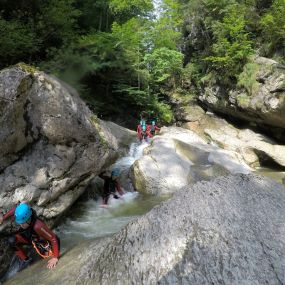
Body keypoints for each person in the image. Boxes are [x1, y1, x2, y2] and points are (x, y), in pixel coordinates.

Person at [0, 202, 60, 269]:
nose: (21, 225)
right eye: (20, 223)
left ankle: (51, 253)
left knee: (47, 258)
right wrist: (3, 218)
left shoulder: (38, 226)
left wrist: (55, 257)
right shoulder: (24, 213)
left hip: (42, 241)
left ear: (28, 219)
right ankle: (26, 260)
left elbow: (53, 238)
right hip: (31, 236)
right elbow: (16, 210)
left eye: (22, 223)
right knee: (12, 241)